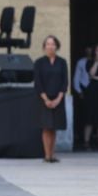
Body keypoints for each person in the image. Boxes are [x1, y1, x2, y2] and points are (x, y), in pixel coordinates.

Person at [33, 35, 68, 163]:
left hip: (58, 98)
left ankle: (52, 154)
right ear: (44, 47)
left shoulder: (62, 62)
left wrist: (59, 98)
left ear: (56, 46)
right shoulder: (39, 62)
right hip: (44, 99)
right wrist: (46, 99)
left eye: (53, 44)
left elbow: (65, 82)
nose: (50, 46)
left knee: (54, 127)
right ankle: (47, 155)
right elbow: (38, 83)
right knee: (46, 127)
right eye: (48, 44)